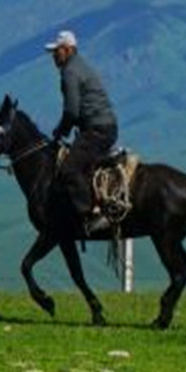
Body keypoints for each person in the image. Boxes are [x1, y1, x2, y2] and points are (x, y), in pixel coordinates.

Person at [46, 29, 132, 229]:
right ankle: (107, 159)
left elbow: (72, 112)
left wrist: (59, 132)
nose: (53, 56)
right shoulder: (81, 65)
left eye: (56, 51)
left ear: (67, 50)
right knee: (82, 159)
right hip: (106, 127)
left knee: (68, 169)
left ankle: (92, 215)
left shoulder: (69, 72)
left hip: (97, 130)